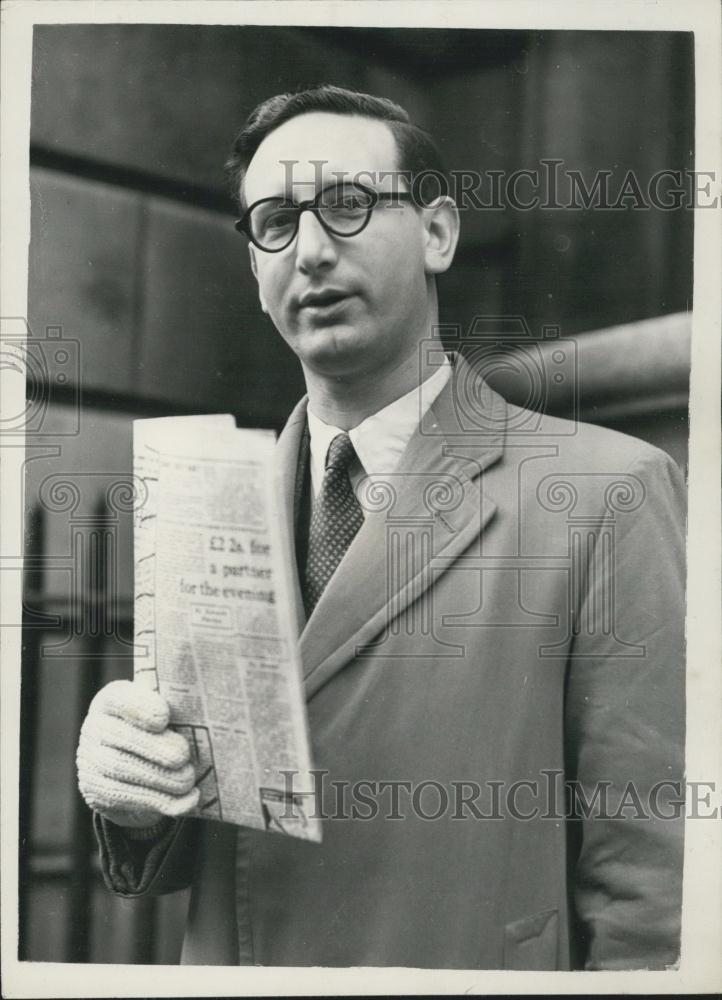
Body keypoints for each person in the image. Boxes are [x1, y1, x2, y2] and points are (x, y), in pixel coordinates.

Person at [76, 85, 686, 970]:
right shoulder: (206, 506)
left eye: (350, 206)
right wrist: (132, 800)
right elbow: (213, 835)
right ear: (254, 266)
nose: (312, 250)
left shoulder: (607, 492)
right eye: (275, 222)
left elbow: (654, 898)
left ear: (438, 233)